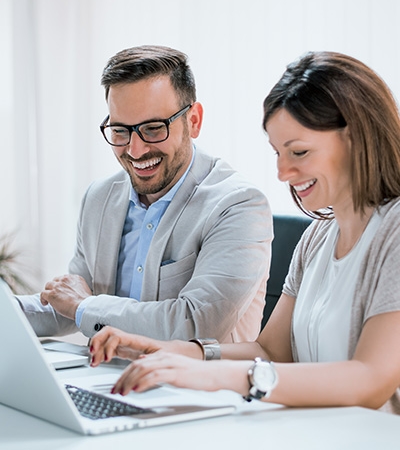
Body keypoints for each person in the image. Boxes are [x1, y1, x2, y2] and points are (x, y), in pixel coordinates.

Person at [89, 51, 400, 413]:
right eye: (277, 153)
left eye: (299, 152)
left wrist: (221, 377)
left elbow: (371, 381)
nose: (283, 173)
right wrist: (170, 350)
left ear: (357, 140)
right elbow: (270, 351)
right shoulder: (318, 237)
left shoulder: (392, 233)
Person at [16, 45, 272, 343]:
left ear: (194, 121)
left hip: (196, 385)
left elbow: (195, 326)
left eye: (153, 129)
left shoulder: (238, 205)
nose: (135, 151)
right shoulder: (99, 198)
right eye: (120, 131)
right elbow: (68, 304)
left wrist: (84, 306)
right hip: (107, 380)